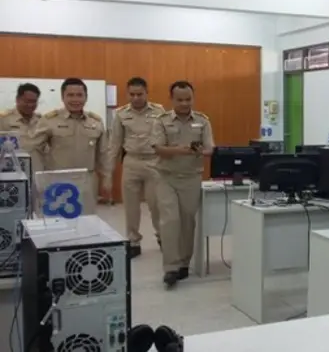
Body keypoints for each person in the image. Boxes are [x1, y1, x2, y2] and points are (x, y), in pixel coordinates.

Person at [151, 80, 214, 288]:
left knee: (188, 222)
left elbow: (210, 149)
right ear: (171, 99)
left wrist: (200, 151)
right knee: (170, 221)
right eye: (180, 100)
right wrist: (182, 150)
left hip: (191, 177)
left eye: (188, 99)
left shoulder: (203, 121)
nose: (185, 103)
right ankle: (170, 267)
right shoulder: (161, 121)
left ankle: (184, 263)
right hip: (166, 177)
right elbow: (158, 148)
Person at [29, 78, 112, 215]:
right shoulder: (50, 120)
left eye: (79, 95)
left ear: (86, 97)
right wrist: (40, 177)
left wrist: (107, 177)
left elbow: (103, 153)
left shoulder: (96, 122)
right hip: (58, 180)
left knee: (87, 218)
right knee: (58, 220)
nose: (75, 99)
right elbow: (34, 149)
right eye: (70, 95)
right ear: (63, 97)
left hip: (87, 181)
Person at [108, 77, 166, 259]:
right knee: (131, 206)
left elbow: (165, 138)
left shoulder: (159, 111)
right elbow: (114, 144)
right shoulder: (121, 114)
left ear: (146, 93)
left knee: (156, 205)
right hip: (131, 162)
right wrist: (109, 172)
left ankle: (162, 237)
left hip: (154, 162)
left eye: (139, 94)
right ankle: (133, 241)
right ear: (127, 94)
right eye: (132, 94)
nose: (135, 98)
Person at [0, 83, 43, 170]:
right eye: (27, 101)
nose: (30, 105)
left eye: (34, 101)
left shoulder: (42, 121)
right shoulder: (4, 120)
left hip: (37, 170)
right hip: (13, 171)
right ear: (17, 99)